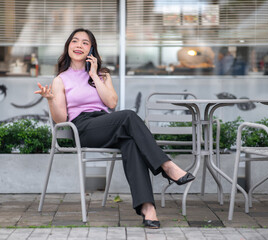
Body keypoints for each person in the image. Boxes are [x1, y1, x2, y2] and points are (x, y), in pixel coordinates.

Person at [35, 28, 195, 229]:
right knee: (128, 116)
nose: (79, 46)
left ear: (91, 49)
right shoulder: (60, 80)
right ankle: (167, 166)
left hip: (107, 123)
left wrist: (93, 74)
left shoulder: (102, 75)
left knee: (131, 143)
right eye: (75, 41)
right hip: (82, 128)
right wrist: (51, 100)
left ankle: (148, 209)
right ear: (68, 46)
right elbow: (61, 119)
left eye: (85, 43)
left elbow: (111, 103)